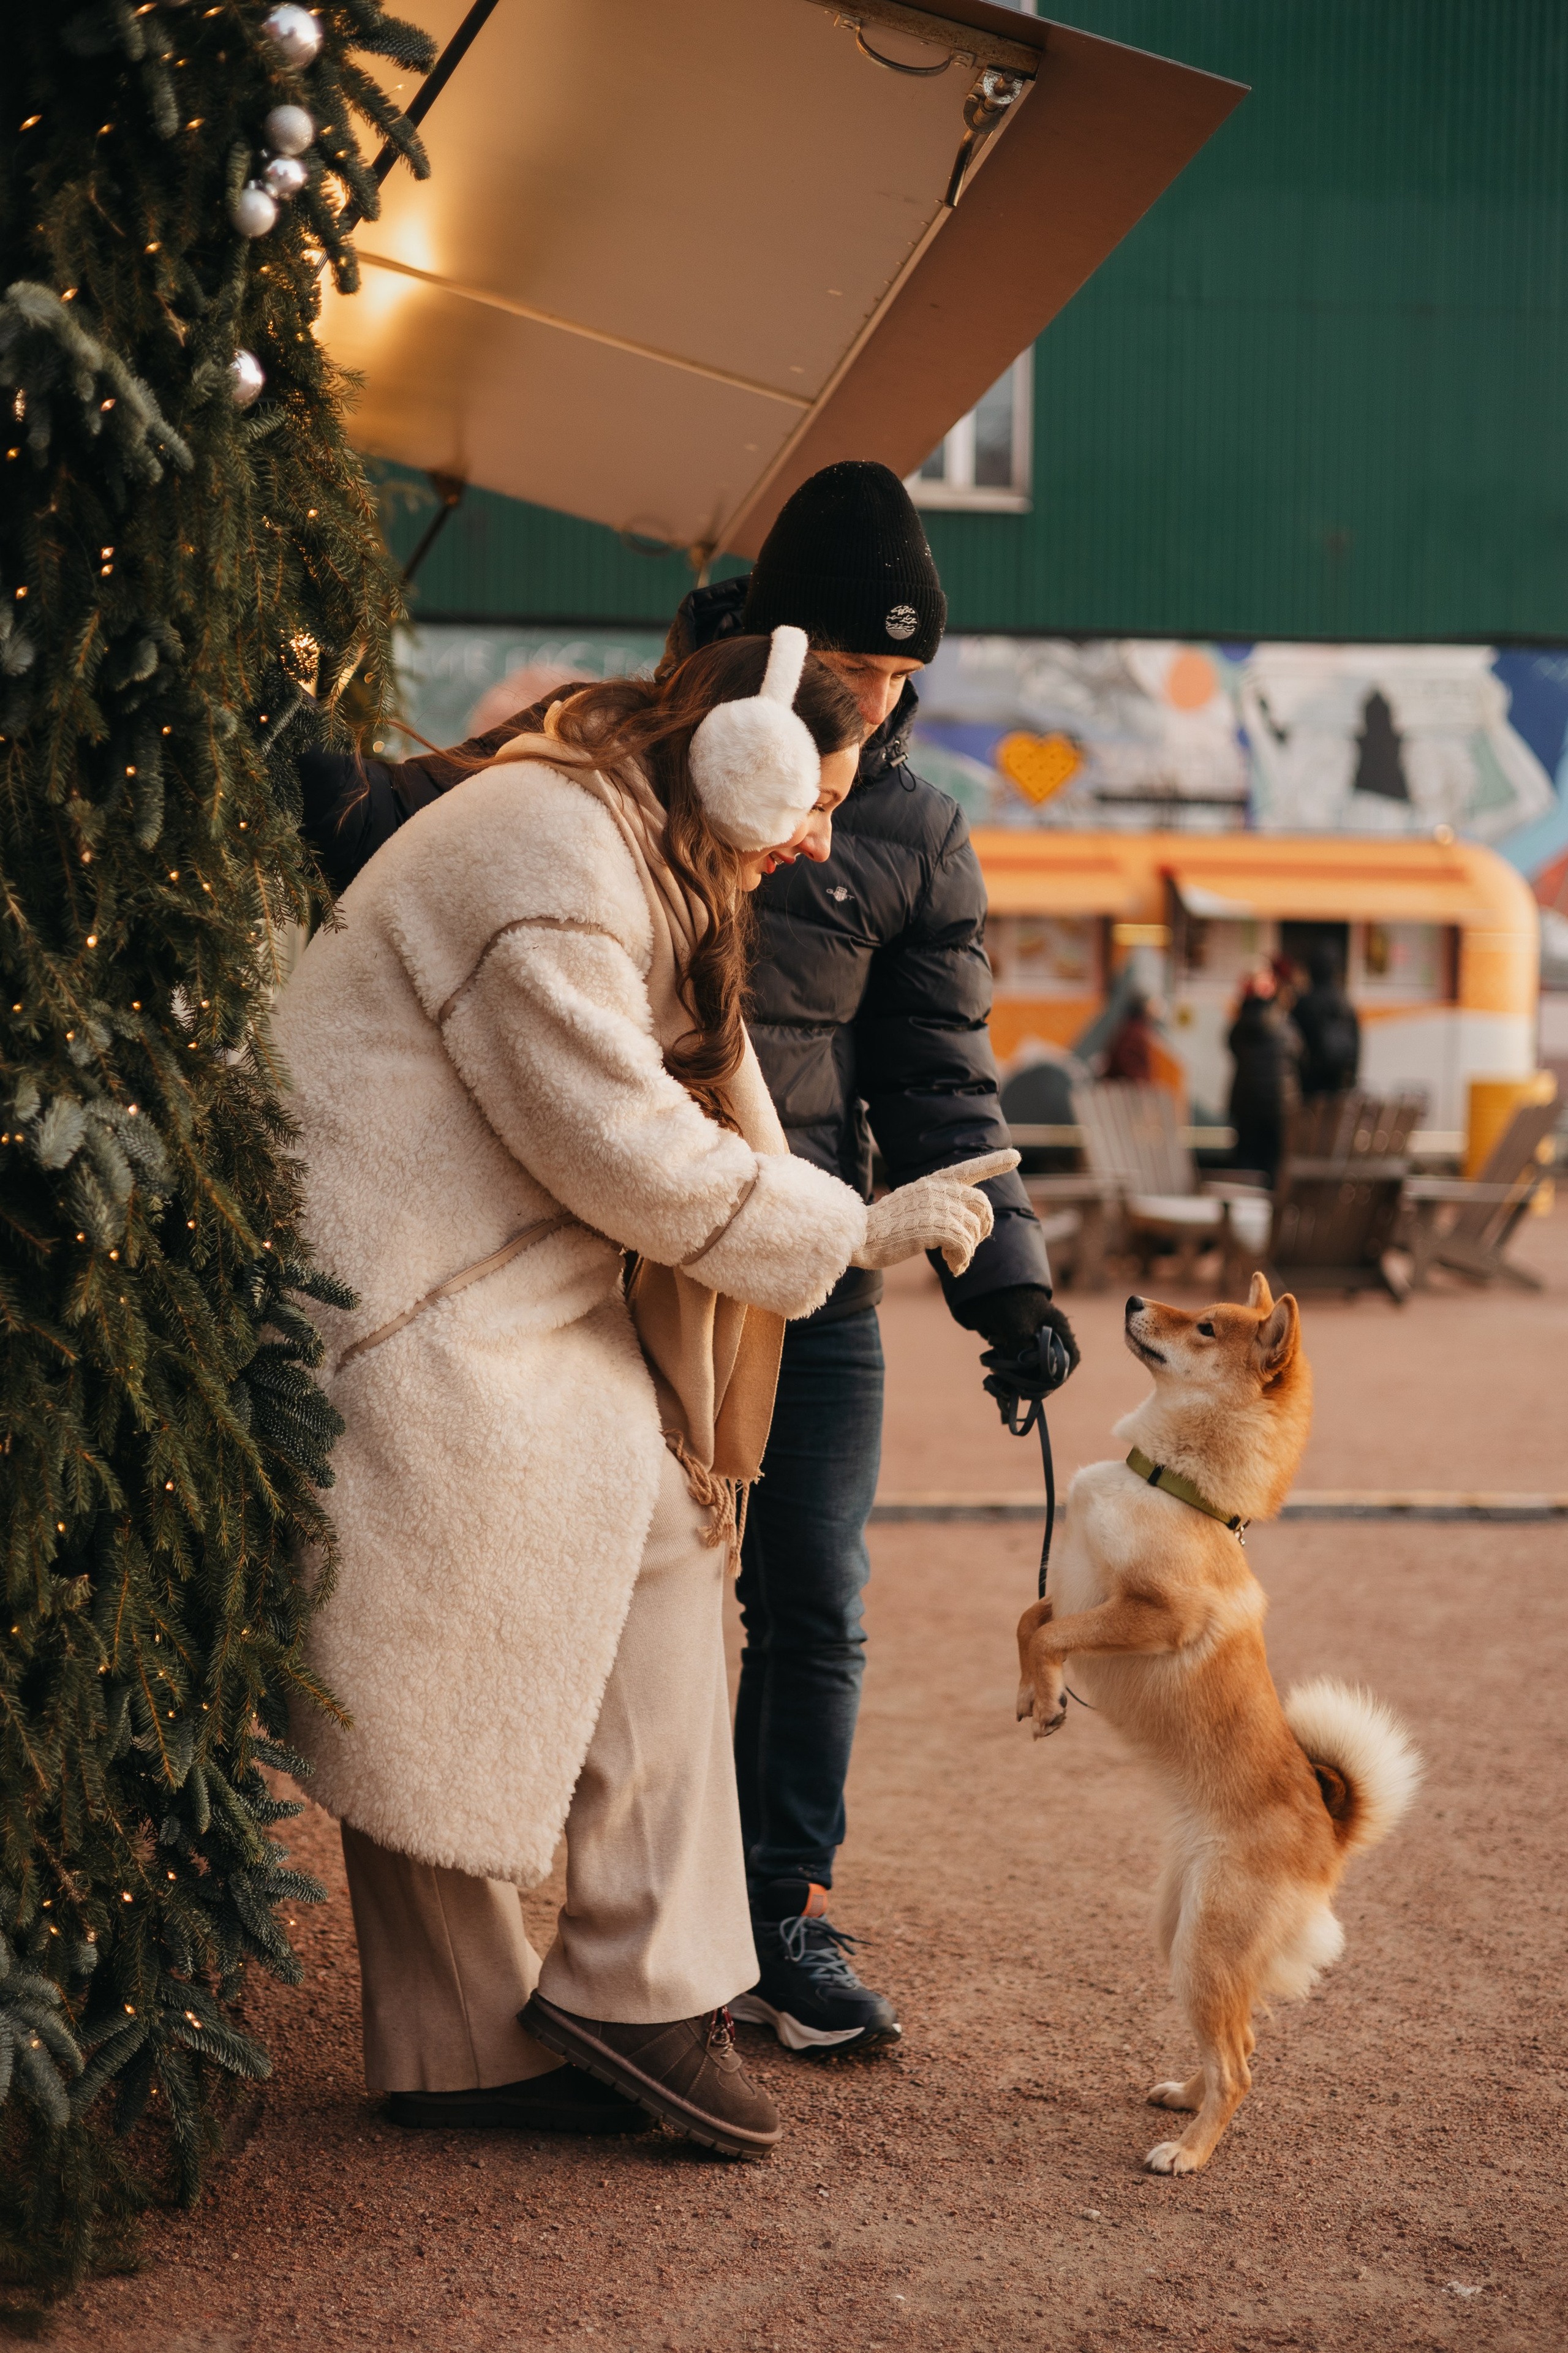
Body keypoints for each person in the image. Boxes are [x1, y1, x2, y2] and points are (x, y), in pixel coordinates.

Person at [297, 460, 1077, 2056]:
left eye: (910, 672)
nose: (891, 694)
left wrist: (1009, 1285)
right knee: (622, 1556)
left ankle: (773, 1918)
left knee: (814, 1595)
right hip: (617, 1249)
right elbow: (411, 828)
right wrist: (301, 758)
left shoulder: (912, 830)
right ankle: (615, 1946)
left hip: (810, 1258)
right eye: (869, 662)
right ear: (783, 656)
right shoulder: (615, 756)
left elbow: (940, 1076)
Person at [1227, 967, 1301, 1187]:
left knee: (1246, 1158)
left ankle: (1242, 1206)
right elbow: (1298, 1052)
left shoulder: (1240, 1027)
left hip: (1246, 1103)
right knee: (1274, 1162)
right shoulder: (1283, 1024)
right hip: (1278, 1104)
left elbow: (1231, 1047)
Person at [1291, 942, 1361, 1098]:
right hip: (1339, 1082)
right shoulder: (1345, 1002)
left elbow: (1293, 1042)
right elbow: (1356, 1043)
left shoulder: (1306, 1002)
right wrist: (1352, 1078)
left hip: (1311, 1083)